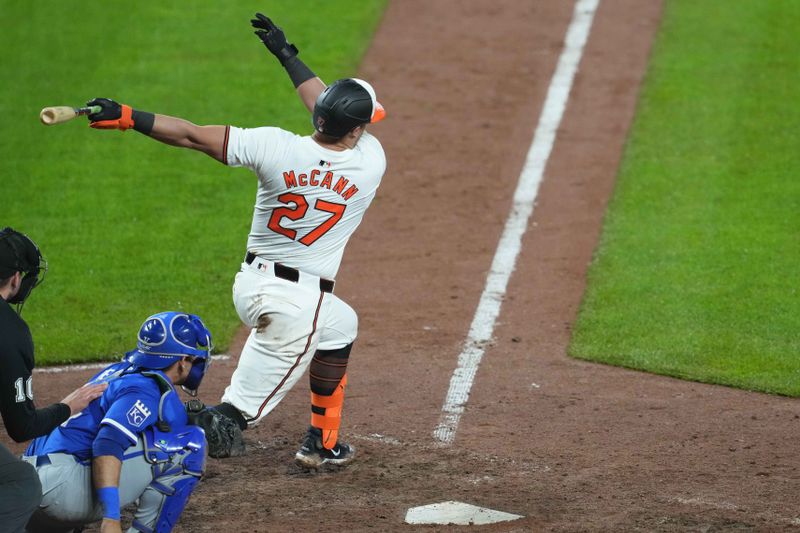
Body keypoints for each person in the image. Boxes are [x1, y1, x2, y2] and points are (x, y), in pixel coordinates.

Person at [81, 13, 387, 468]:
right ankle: (136, 447)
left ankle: (322, 441)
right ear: (357, 130)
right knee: (231, 421)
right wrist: (291, 58)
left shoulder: (273, 146)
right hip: (296, 308)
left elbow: (190, 135)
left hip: (250, 286)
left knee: (341, 326)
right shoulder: (371, 162)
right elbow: (326, 111)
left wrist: (128, 116)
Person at [23, 311, 212, 533]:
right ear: (182, 361)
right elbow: (107, 444)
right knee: (190, 446)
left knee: (126, 434)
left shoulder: (117, 372)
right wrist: (111, 518)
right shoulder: (146, 389)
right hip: (61, 493)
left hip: (28, 483)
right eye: (193, 358)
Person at [0, 227, 107, 533]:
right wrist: (67, 406)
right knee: (21, 481)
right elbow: (22, 427)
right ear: (16, 278)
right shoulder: (10, 331)